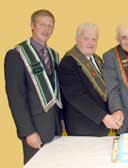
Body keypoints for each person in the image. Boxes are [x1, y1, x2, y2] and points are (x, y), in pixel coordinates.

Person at [4, 9, 62, 164]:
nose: (47, 29)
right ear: (32, 25)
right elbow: (16, 98)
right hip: (35, 130)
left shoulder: (54, 55)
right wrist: (28, 132)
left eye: (50, 26)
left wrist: (62, 121)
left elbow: (56, 92)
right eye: (42, 25)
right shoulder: (16, 55)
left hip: (55, 128)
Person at [58, 23, 119, 137]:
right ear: (77, 39)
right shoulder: (68, 63)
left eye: (94, 39)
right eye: (86, 38)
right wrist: (103, 117)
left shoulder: (98, 59)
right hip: (82, 129)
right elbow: (77, 97)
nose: (91, 43)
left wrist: (116, 111)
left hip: (102, 127)